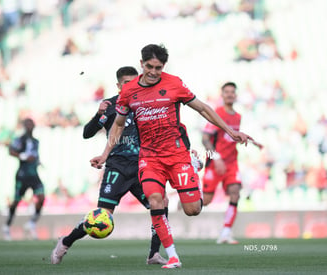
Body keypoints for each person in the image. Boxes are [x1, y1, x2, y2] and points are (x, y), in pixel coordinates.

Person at [90, 44, 253, 269]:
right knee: (156, 200)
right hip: (150, 158)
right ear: (141, 64)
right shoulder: (129, 91)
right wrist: (105, 154)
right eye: (149, 66)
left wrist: (230, 131)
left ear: (163, 66)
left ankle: (193, 165)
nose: (153, 72)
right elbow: (118, 125)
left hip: (177, 156)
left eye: (158, 67)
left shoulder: (174, 83)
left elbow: (203, 109)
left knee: (192, 209)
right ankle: (172, 255)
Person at [51, 66, 168, 265]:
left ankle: (153, 254)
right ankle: (65, 242)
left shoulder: (145, 104)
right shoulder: (111, 106)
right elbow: (87, 133)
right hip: (117, 168)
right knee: (102, 216)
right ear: (118, 85)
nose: (130, 86)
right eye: (126, 83)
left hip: (142, 168)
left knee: (161, 204)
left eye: (134, 82)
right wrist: (98, 115)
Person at [201, 82, 263, 244]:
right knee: (205, 201)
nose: (229, 95)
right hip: (215, 162)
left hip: (231, 162)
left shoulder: (237, 117)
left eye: (232, 92)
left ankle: (226, 232)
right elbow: (205, 139)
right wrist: (216, 158)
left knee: (235, 191)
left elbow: (231, 137)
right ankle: (184, 202)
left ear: (235, 95)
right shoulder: (216, 113)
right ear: (222, 95)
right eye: (226, 92)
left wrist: (252, 142)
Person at [2, 118, 45, 240]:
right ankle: (7, 225)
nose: (30, 126)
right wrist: (23, 156)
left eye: (32, 124)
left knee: (41, 197)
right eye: (28, 124)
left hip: (34, 174)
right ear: (24, 126)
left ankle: (31, 223)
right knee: (16, 201)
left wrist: (38, 162)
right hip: (22, 175)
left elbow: (35, 156)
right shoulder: (19, 140)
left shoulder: (36, 141)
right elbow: (10, 151)